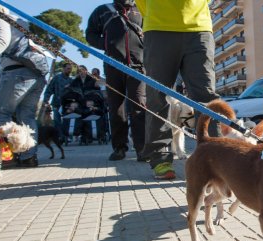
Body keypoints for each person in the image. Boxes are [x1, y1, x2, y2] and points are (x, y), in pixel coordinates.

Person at [135, 0, 221, 179]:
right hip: (158, 27)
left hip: (199, 28)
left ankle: (216, 158)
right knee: (158, 96)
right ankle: (160, 159)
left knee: (205, 97)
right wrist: (154, 14)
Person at [0, 3, 46, 168]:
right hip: (36, 75)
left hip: (17, 75)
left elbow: (1, 40)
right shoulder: (21, 23)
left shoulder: (1, 18)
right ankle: (29, 156)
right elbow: (20, 53)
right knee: (26, 115)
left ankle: (9, 155)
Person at [86, 0, 146, 161]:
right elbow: (90, 34)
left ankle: (142, 149)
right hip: (113, 65)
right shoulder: (103, 10)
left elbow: (151, 32)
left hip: (138, 66)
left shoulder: (142, 8)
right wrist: (105, 44)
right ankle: (119, 148)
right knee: (116, 108)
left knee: (139, 106)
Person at [42, 63, 73, 142]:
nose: (69, 70)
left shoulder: (71, 81)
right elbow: (49, 90)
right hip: (57, 103)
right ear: (63, 68)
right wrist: (46, 100)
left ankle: (66, 136)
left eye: (70, 69)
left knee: (67, 120)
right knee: (57, 121)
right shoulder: (57, 78)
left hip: (67, 104)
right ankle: (59, 137)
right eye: (68, 68)